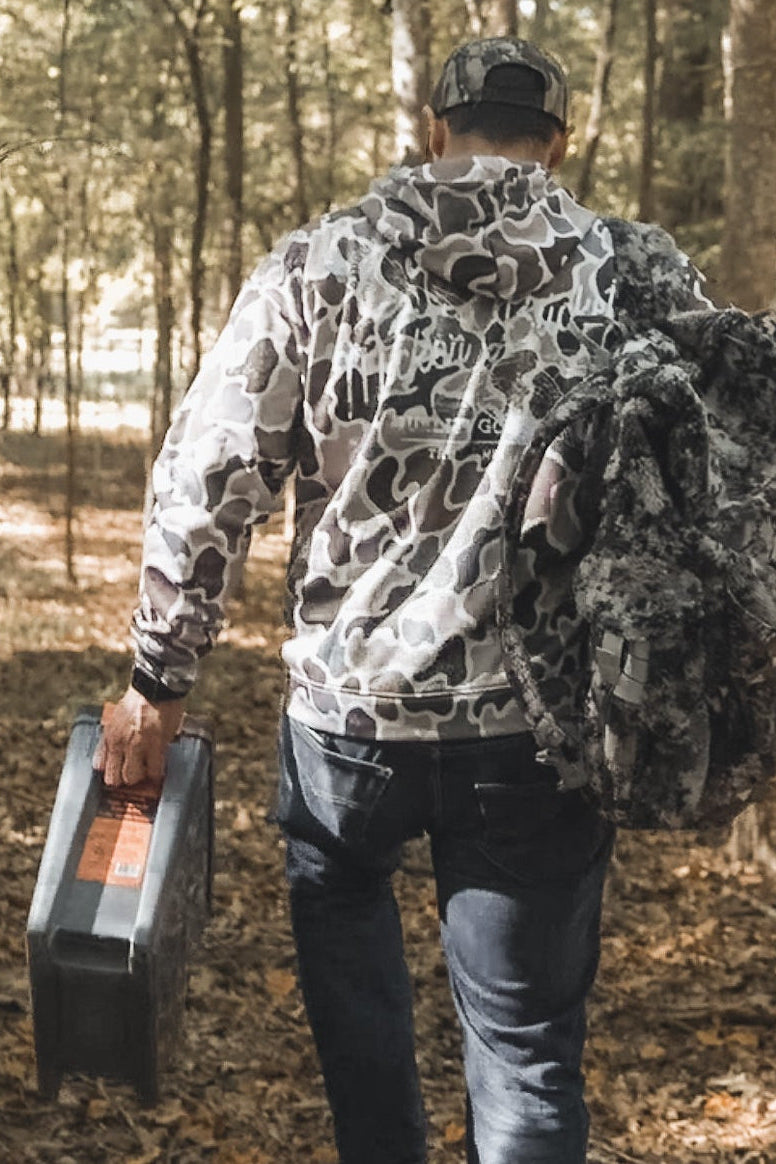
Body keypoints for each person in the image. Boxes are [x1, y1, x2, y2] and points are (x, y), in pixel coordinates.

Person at [97, 38, 713, 1164]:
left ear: (436, 130)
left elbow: (208, 476)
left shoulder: (317, 265)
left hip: (349, 728)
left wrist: (158, 678)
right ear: (558, 144)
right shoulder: (632, 274)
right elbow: (722, 459)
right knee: (525, 1053)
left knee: (361, 1040)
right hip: (537, 730)